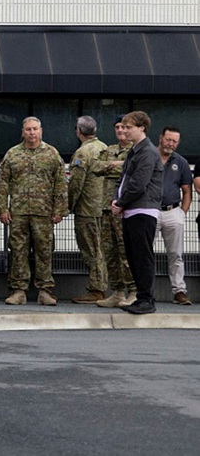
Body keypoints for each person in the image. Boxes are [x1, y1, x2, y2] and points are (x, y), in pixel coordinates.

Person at [0, 116, 67, 306]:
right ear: (22, 132)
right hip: (18, 212)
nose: (32, 133)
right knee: (18, 250)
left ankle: (45, 290)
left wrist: (60, 209)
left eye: (35, 129)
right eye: (28, 129)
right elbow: (3, 183)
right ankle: (19, 290)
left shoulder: (52, 154)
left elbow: (60, 184)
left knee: (44, 251)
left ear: (41, 131)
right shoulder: (12, 154)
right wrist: (2, 208)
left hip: (44, 212)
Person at [111, 111, 163, 315]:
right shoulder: (134, 151)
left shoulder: (148, 152)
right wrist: (117, 199)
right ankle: (142, 297)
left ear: (142, 128)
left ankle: (146, 299)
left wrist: (121, 202)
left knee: (142, 256)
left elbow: (138, 184)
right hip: (131, 210)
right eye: (123, 126)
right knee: (133, 256)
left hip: (143, 210)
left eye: (129, 127)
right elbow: (122, 179)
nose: (124, 130)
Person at [66, 115, 111, 303]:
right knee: (102, 248)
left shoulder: (83, 153)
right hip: (104, 206)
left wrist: (68, 205)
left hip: (87, 209)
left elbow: (76, 183)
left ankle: (97, 289)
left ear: (79, 131)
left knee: (91, 249)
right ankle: (101, 286)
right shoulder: (105, 148)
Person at [93, 123, 136, 308]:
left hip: (124, 207)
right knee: (109, 252)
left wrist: (114, 165)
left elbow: (133, 170)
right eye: (117, 127)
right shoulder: (108, 150)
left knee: (126, 250)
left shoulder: (136, 150)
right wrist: (117, 165)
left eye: (123, 127)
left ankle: (134, 290)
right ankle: (117, 291)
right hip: (105, 207)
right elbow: (95, 167)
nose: (120, 130)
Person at [155, 127, 191, 305]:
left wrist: (182, 213)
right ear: (161, 138)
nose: (170, 144)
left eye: (174, 141)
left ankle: (179, 291)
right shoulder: (148, 157)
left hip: (173, 212)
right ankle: (143, 291)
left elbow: (186, 190)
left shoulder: (181, 162)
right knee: (144, 253)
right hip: (150, 211)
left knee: (176, 255)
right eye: (168, 139)